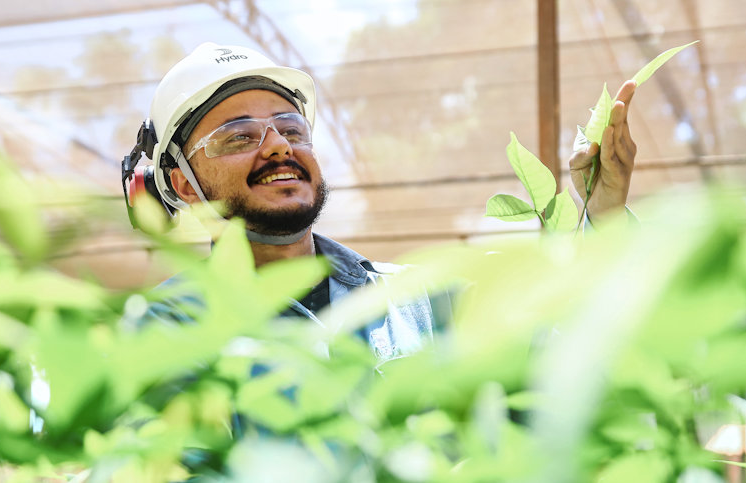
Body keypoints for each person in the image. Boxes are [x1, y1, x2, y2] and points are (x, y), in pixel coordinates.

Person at [122, 43, 638, 362]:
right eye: (239, 136)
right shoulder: (165, 328)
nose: (279, 145)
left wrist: (606, 214)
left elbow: (564, 369)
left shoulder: (421, 303)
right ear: (184, 185)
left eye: (291, 129)